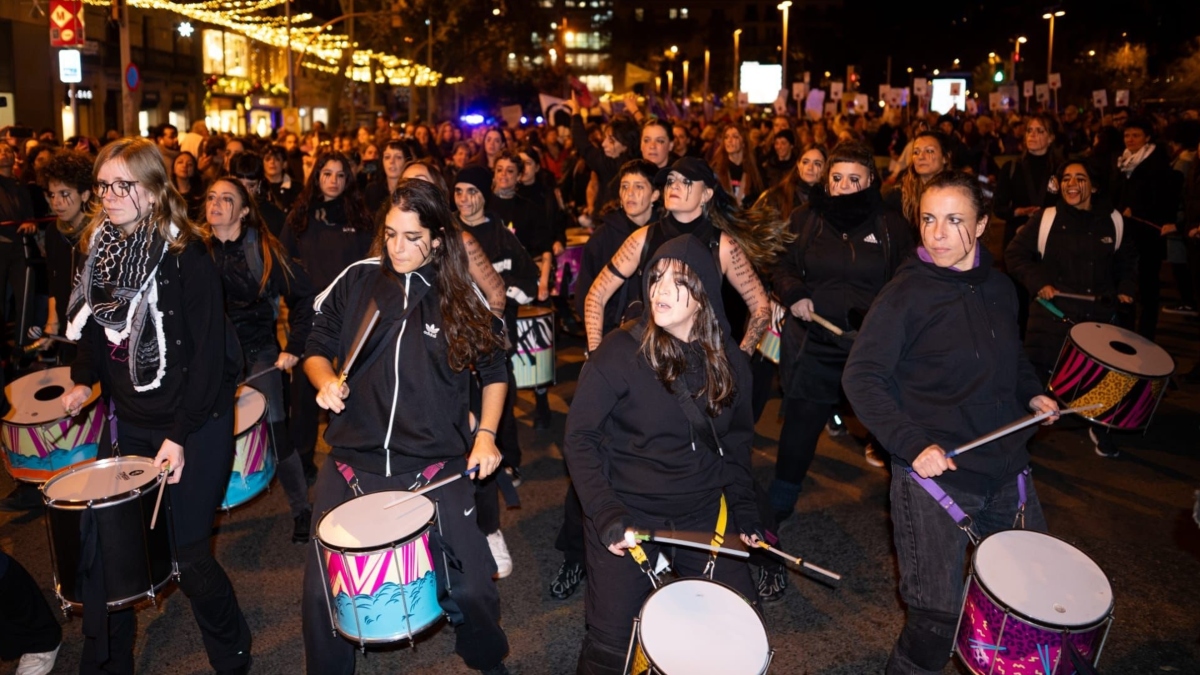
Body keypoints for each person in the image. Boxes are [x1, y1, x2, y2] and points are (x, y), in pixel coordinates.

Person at [842, 171, 1060, 675]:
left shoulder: (1003, 288)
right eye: (929, 219)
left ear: (982, 225)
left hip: (1006, 471)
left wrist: (1033, 394)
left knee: (1027, 602)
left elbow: (1012, 359)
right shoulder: (905, 294)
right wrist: (913, 444)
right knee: (934, 624)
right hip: (935, 478)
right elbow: (862, 378)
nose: (937, 233)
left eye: (954, 220)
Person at [301, 178, 512, 675]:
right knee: (319, 592)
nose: (398, 247)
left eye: (412, 237)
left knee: (475, 585)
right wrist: (325, 377)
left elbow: (496, 372)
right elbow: (316, 343)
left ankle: (487, 661)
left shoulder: (459, 295)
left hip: (434, 465)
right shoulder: (357, 279)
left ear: (437, 238)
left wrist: (485, 436)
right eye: (391, 234)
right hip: (353, 462)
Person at [60, 136, 253, 674]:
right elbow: (98, 333)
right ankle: (107, 665)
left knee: (188, 558)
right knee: (110, 554)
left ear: (153, 189)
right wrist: (82, 381)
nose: (110, 195)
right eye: (104, 185)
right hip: (129, 423)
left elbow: (209, 360)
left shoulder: (185, 255)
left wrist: (180, 435)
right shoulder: (99, 248)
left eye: (124, 184)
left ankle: (234, 653)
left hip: (195, 422)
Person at [563, 234, 762, 675]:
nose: (659, 290)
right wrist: (605, 513)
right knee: (611, 647)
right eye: (654, 278)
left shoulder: (731, 361)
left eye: (679, 280)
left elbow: (737, 443)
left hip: (702, 510)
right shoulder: (616, 354)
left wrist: (746, 511)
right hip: (627, 510)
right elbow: (579, 440)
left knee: (740, 626)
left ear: (706, 292)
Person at [770, 139, 913, 516]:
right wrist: (794, 293)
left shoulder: (892, 225)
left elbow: (908, 279)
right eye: (837, 178)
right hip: (814, 341)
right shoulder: (805, 219)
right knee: (800, 424)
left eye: (854, 179)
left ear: (870, 181)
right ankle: (779, 501)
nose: (845, 187)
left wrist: (882, 317)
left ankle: (917, 501)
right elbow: (780, 266)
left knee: (891, 426)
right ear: (827, 181)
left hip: (870, 346)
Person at [203, 177, 316, 540]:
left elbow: (305, 298)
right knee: (201, 431)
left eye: (227, 199)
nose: (216, 204)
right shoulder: (191, 252)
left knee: (276, 430)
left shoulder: (264, 249)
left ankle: (302, 510)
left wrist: (294, 347)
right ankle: (199, 513)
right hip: (211, 354)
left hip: (259, 352)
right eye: (211, 197)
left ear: (245, 210)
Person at [582, 156, 784, 358]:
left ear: (706, 194)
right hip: (648, 360)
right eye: (670, 181)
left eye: (686, 181)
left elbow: (761, 307)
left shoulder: (723, 246)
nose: (674, 186)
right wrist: (595, 355)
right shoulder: (642, 238)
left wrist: (741, 359)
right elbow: (596, 295)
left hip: (702, 363)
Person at [1005, 161, 1137, 457]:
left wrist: (1127, 290)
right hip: (1051, 317)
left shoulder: (1113, 220)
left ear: (1095, 185)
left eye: (1080, 178)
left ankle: (1102, 428)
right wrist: (1039, 282)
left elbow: (1128, 262)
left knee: (1102, 377)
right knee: (1037, 383)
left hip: (1099, 318)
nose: (1071, 184)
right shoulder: (1046, 218)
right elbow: (1015, 254)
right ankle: (1017, 444)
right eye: (1066, 178)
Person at [282, 150, 375, 483]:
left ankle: (356, 455)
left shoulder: (362, 216)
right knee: (306, 393)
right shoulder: (300, 217)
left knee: (354, 385)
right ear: (316, 176)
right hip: (310, 313)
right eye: (326, 174)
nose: (333, 180)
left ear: (348, 179)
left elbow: (372, 262)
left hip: (354, 310)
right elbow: (285, 263)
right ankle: (302, 460)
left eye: (339, 174)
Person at [1111, 117, 1179, 341]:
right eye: (1127, 135)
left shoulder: (1157, 164)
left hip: (1148, 234)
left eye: (1136, 135)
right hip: (1127, 233)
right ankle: (1128, 329)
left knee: (1148, 285)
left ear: (1147, 137)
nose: (1130, 139)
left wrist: (1136, 209)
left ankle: (1147, 333)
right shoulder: (1124, 161)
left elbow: (1164, 200)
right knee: (1127, 280)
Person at [884, 131, 951, 228]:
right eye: (916, 152)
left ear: (945, 157)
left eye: (929, 151)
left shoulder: (957, 193)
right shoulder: (899, 196)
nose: (921, 157)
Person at [711, 124, 764, 207]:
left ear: (744, 143)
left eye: (735, 137)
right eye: (726, 137)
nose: (729, 140)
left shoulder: (755, 170)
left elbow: (759, 199)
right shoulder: (717, 170)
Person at [363, 140, 409, 215]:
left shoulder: (412, 192)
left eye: (398, 157)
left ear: (406, 161)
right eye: (387, 157)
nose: (392, 161)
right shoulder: (372, 190)